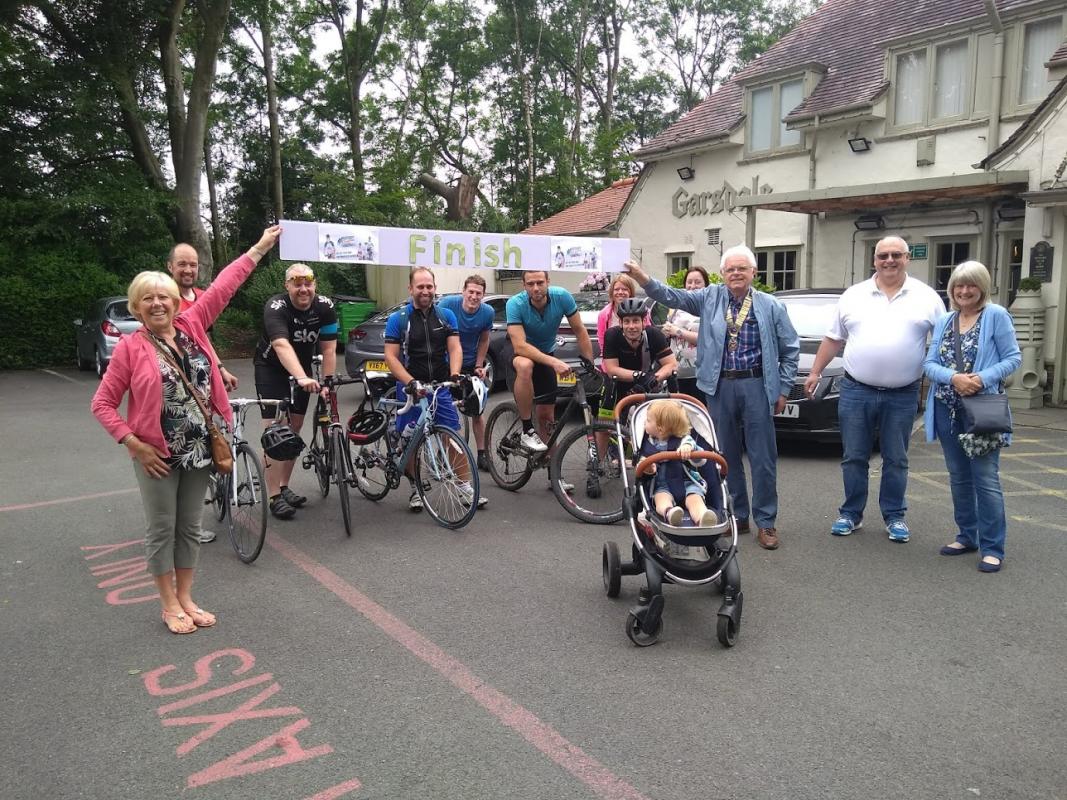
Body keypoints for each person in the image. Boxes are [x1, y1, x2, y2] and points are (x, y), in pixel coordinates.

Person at [91, 226, 281, 634]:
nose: (157, 303)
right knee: (162, 529)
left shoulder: (192, 327)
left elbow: (225, 287)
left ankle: (187, 597)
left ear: (176, 302)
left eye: (164, 297)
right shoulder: (130, 347)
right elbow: (102, 404)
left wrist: (261, 246)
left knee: (190, 527)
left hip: (199, 449)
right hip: (156, 455)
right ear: (137, 307)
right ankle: (168, 603)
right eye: (148, 298)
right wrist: (133, 443)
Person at [624, 246, 799, 551]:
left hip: (757, 384)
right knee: (724, 455)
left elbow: (790, 350)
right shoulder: (710, 298)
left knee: (763, 457)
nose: (736, 274)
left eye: (742, 269)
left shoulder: (771, 306)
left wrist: (782, 389)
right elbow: (671, 296)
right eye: (730, 269)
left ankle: (766, 521)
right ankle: (738, 515)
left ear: (753, 273)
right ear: (723, 274)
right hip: (719, 385)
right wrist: (642, 277)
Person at [803, 235, 946, 543]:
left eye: (897, 254)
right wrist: (815, 371)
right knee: (854, 456)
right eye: (883, 255)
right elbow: (832, 339)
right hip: (856, 390)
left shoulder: (927, 297)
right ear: (874, 260)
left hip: (903, 392)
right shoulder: (853, 295)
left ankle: (895, 516)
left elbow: (944, 341)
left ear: (907, 258)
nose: (889, 260)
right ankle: (851, 514)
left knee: (897, 458)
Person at [922, 261, 1020, 572]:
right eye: (959, 286)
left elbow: (1012, 357)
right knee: (959, 477)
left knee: (986, 479)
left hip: (981, 412)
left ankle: (993, 547)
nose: (965, 291)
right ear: (951, 290)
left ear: (982, 288)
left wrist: (980, 378)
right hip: (947, 409)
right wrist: (954, 378)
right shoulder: (945, 320)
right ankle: (967, 535)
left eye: (971, 285)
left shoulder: (995, 315)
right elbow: (929, 363)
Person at [384, 267, 487, 510]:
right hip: (410, 386)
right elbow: (391, 357)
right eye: (420, 287)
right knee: (411, 438)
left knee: (452, 435)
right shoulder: (399, 319)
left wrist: (454, 374)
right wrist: (409, 382)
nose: (425, 291)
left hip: (438, 385)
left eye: (429, 286)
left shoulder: (445, 316)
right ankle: (415, 487)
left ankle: (462, 485)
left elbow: (455, 348)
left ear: (434, 288)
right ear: (410, 289)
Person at [253, 263, 338, 520]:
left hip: (302, 373)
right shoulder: (276, 307)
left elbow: (329, 350)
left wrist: (329, 383)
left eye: (308, 283)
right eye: (296, 283)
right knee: (275, 432)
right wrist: (301, 377)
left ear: (315, 285)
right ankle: (273, 496)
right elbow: (280, 345)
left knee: (295, 429)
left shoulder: (325, 306)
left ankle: (284, 486)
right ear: (286, 286)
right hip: (271, 370)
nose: (303, 289)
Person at [165, 242, 238, 545]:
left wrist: (220, 368)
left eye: (193, 264)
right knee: (179, 459)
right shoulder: (164, 298)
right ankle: (176, 526)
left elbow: (201, 340)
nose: (188, 269)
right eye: (182, 264)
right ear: (170, 266)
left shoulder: (202, 297)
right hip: (174, 386)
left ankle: (189, 521)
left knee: (206, 445)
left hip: (201, 380)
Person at [505, 270, 595, 458]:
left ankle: (553, 471)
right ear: (524, 286)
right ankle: (527, 429)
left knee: (547, 417)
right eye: (530, 284)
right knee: (525, 365)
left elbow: (580, 330)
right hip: (519, 352)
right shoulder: (515, 304)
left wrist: (590, 364)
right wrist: (554, 362)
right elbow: (520, 345)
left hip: (546, 353)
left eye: (540, 282)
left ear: (548, 282)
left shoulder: (562, 297)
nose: (536, 288)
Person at [437, 275, 495, 471]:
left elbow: (484, 340)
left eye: (478, 293)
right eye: (470, 292)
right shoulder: (447, 305)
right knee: (446, 411)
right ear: (463, 291)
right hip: (445, 364)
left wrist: (479, 365)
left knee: (477, 410)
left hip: (469, 363)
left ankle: (482, 453)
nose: (474, 296)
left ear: (483, 295)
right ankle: (444, 453)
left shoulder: (487, 313)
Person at [641, 398, 719, 528]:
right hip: (662, 486)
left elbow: (701, 460)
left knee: (694, 499)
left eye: (648, 420)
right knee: (661, 499)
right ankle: (670, 513)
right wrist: (647, 467)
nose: (645, 423)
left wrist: (689, 450)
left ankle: (702, 517)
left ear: (660, 429)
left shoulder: (685, 441)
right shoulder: (648, 445)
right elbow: (645, 466)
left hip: (687, 482)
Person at [661, 266, 710, 397]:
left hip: (701, 374)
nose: (693, 286)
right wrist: (666, 331)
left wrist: (678, 331)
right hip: (678, 372)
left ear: (706, 284)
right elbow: (668, 332)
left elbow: (708, 339)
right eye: (689, 282)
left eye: (697, 282)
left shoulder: (710, 307)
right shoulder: (676, 307)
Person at [595, 274, 651, 357]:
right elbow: (602, 340)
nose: (620, 292)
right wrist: (607, 360)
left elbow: (648, 334)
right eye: (617, 289)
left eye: (624, 289)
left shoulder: (642, 310)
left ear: (630, 292)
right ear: (612, 292)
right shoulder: (603, 314)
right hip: (613, 361)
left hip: (639, 358)